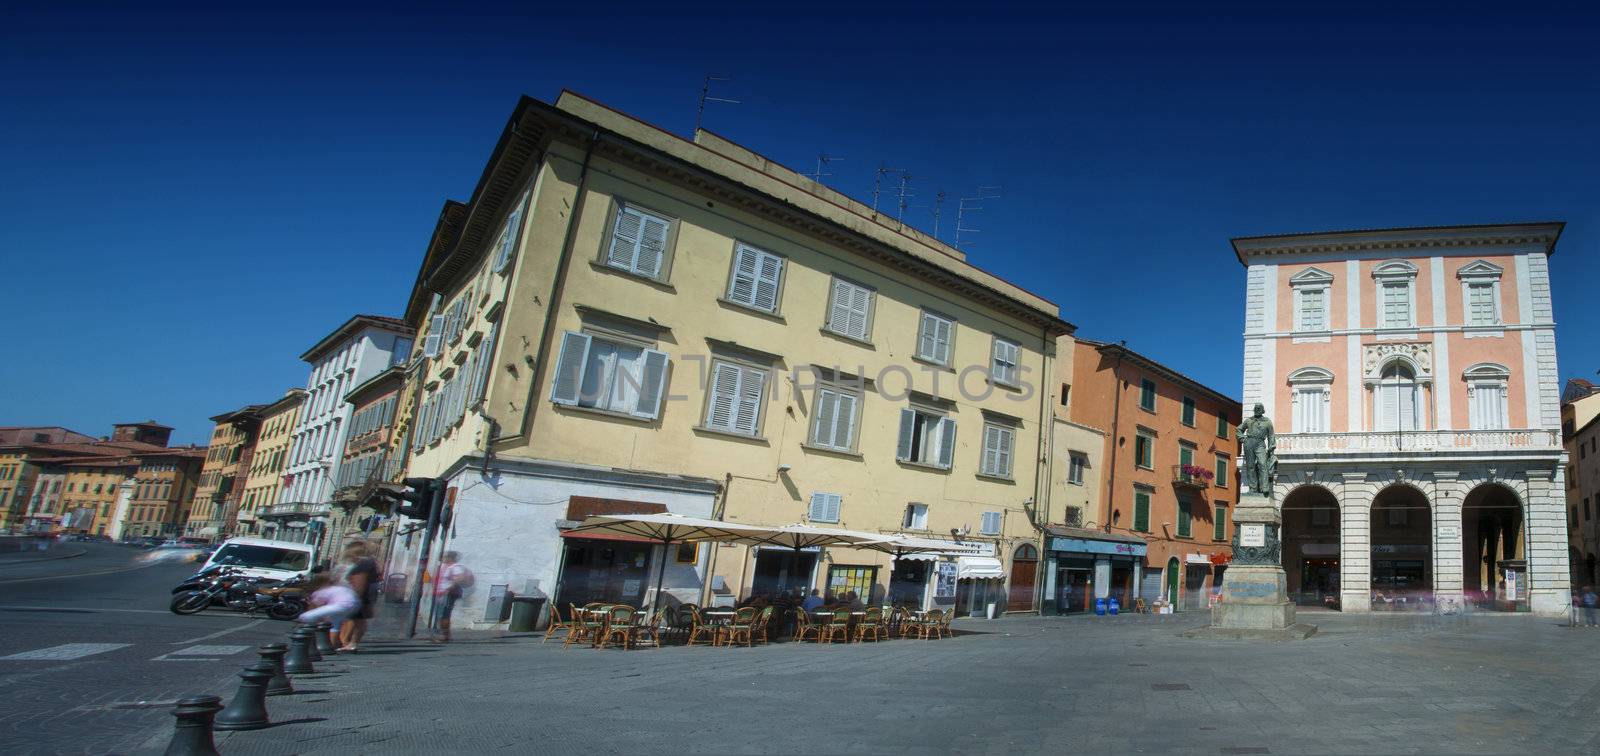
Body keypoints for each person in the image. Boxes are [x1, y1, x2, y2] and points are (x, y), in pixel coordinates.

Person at [338, 542, 381, 652]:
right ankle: (352, 643)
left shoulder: (364, 563)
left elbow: (360, 582)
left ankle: (352, 643)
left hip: (359, 597)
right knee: (359, 621)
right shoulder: (369, 562)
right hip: (362, 596)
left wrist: (356, 597)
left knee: (357, 621)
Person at [432, 551, 474, 643]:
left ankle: (444, 635)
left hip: (447, 594)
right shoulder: (446, 567)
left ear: (450, 558)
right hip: (442, 594)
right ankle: (444, 634)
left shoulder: (456, 567)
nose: (443, 558)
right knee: (441, 615)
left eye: (445, 557)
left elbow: (460, 578)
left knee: (444, 615)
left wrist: (449, 588)